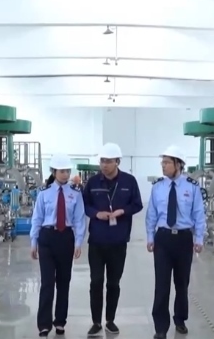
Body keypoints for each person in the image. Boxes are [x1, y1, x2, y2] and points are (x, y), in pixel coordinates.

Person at [82, 143, 144, 336]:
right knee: (96, 281)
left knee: (113, 283)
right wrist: (96, 214)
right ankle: (96, 322)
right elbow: (85, 205)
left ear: (117, 161)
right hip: (97, 241)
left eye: (108, 161)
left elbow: (137, 204)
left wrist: (122, 211)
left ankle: (110, 320)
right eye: (102, 161)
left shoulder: (129, 181)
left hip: (118, 241)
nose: (104, 165)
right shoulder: (93, 182)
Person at [145, 145, 206, 339]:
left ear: (178, 164)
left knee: (182, 283)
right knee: (161, 284)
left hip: (183, 239)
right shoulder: (158, 187)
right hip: (163, 239)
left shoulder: (192, 187)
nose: (163, 166)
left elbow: (199, 214)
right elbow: (151, 214)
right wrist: (150, 237)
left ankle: (180, 319)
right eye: (162, 162)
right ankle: (160, 327)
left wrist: (199, 238)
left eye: (167, 163)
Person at [30, 154, 86, 337]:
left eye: (68, 171)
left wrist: (78, 242)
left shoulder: (75, 193)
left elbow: (79, 220)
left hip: (66, 239)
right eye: (62, 171)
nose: (65, 174)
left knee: (64, 282)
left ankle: (60, 321)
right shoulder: (44, 193)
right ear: (54, 172)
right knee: (47, 282)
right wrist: (33, 242)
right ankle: (44, 325)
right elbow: (37, 218)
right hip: (47, 238)